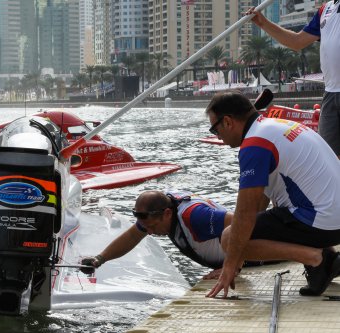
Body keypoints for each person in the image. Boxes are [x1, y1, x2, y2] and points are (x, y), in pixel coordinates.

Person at [204, 90, 340, 299]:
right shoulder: (276, 126)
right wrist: (238, 262)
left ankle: (318, 259)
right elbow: (260, 203)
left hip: (324, 223)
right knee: (277, 209)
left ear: (228, 122)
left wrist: (229, 265)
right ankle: (328, 255)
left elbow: (246, 212)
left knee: (228, 238)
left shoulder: (254, 145)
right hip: (333, 221)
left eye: (215, 129)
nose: (218, 136)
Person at [246, 3, 340, 158]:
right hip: (330, 94)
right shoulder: (325, 10)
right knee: (329, 158)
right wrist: (262, 22)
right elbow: (297, 42)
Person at [81, 189, 235, 279]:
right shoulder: (158, 213)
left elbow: (243, 222)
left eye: (152, 227)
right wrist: (99, 259)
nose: (149, 232)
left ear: (167, 214)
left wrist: (233, 266)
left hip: (251, 260)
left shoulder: (195, 215)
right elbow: (132, 237)